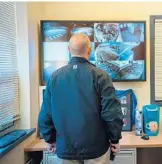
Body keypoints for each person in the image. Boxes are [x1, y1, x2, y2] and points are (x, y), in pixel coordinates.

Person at [38, 33, 124, 164]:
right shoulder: (101, 76)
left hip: (66, 149)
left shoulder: (54, 78)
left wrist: (50, 139)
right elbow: (112, 113)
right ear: (89, 51)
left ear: (69, 50)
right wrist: (115, 139)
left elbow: (46, 114)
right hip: (97, 149)